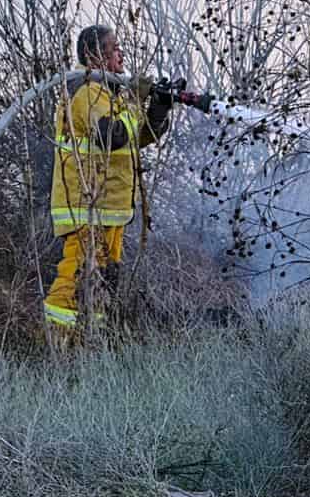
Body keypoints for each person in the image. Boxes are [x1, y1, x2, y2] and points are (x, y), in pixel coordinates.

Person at [43, 24, 208, 333]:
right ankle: (58, 343)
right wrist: (134, 98)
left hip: (109, 210)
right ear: (95, 56)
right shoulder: (86, 92)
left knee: (104, 279)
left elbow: (134, 136)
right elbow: (112, 135)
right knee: (75, 277)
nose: (121, 54)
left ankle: (93, 343)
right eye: (114, 48)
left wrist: (157, 111)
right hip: (86, 207)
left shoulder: (107, 92)